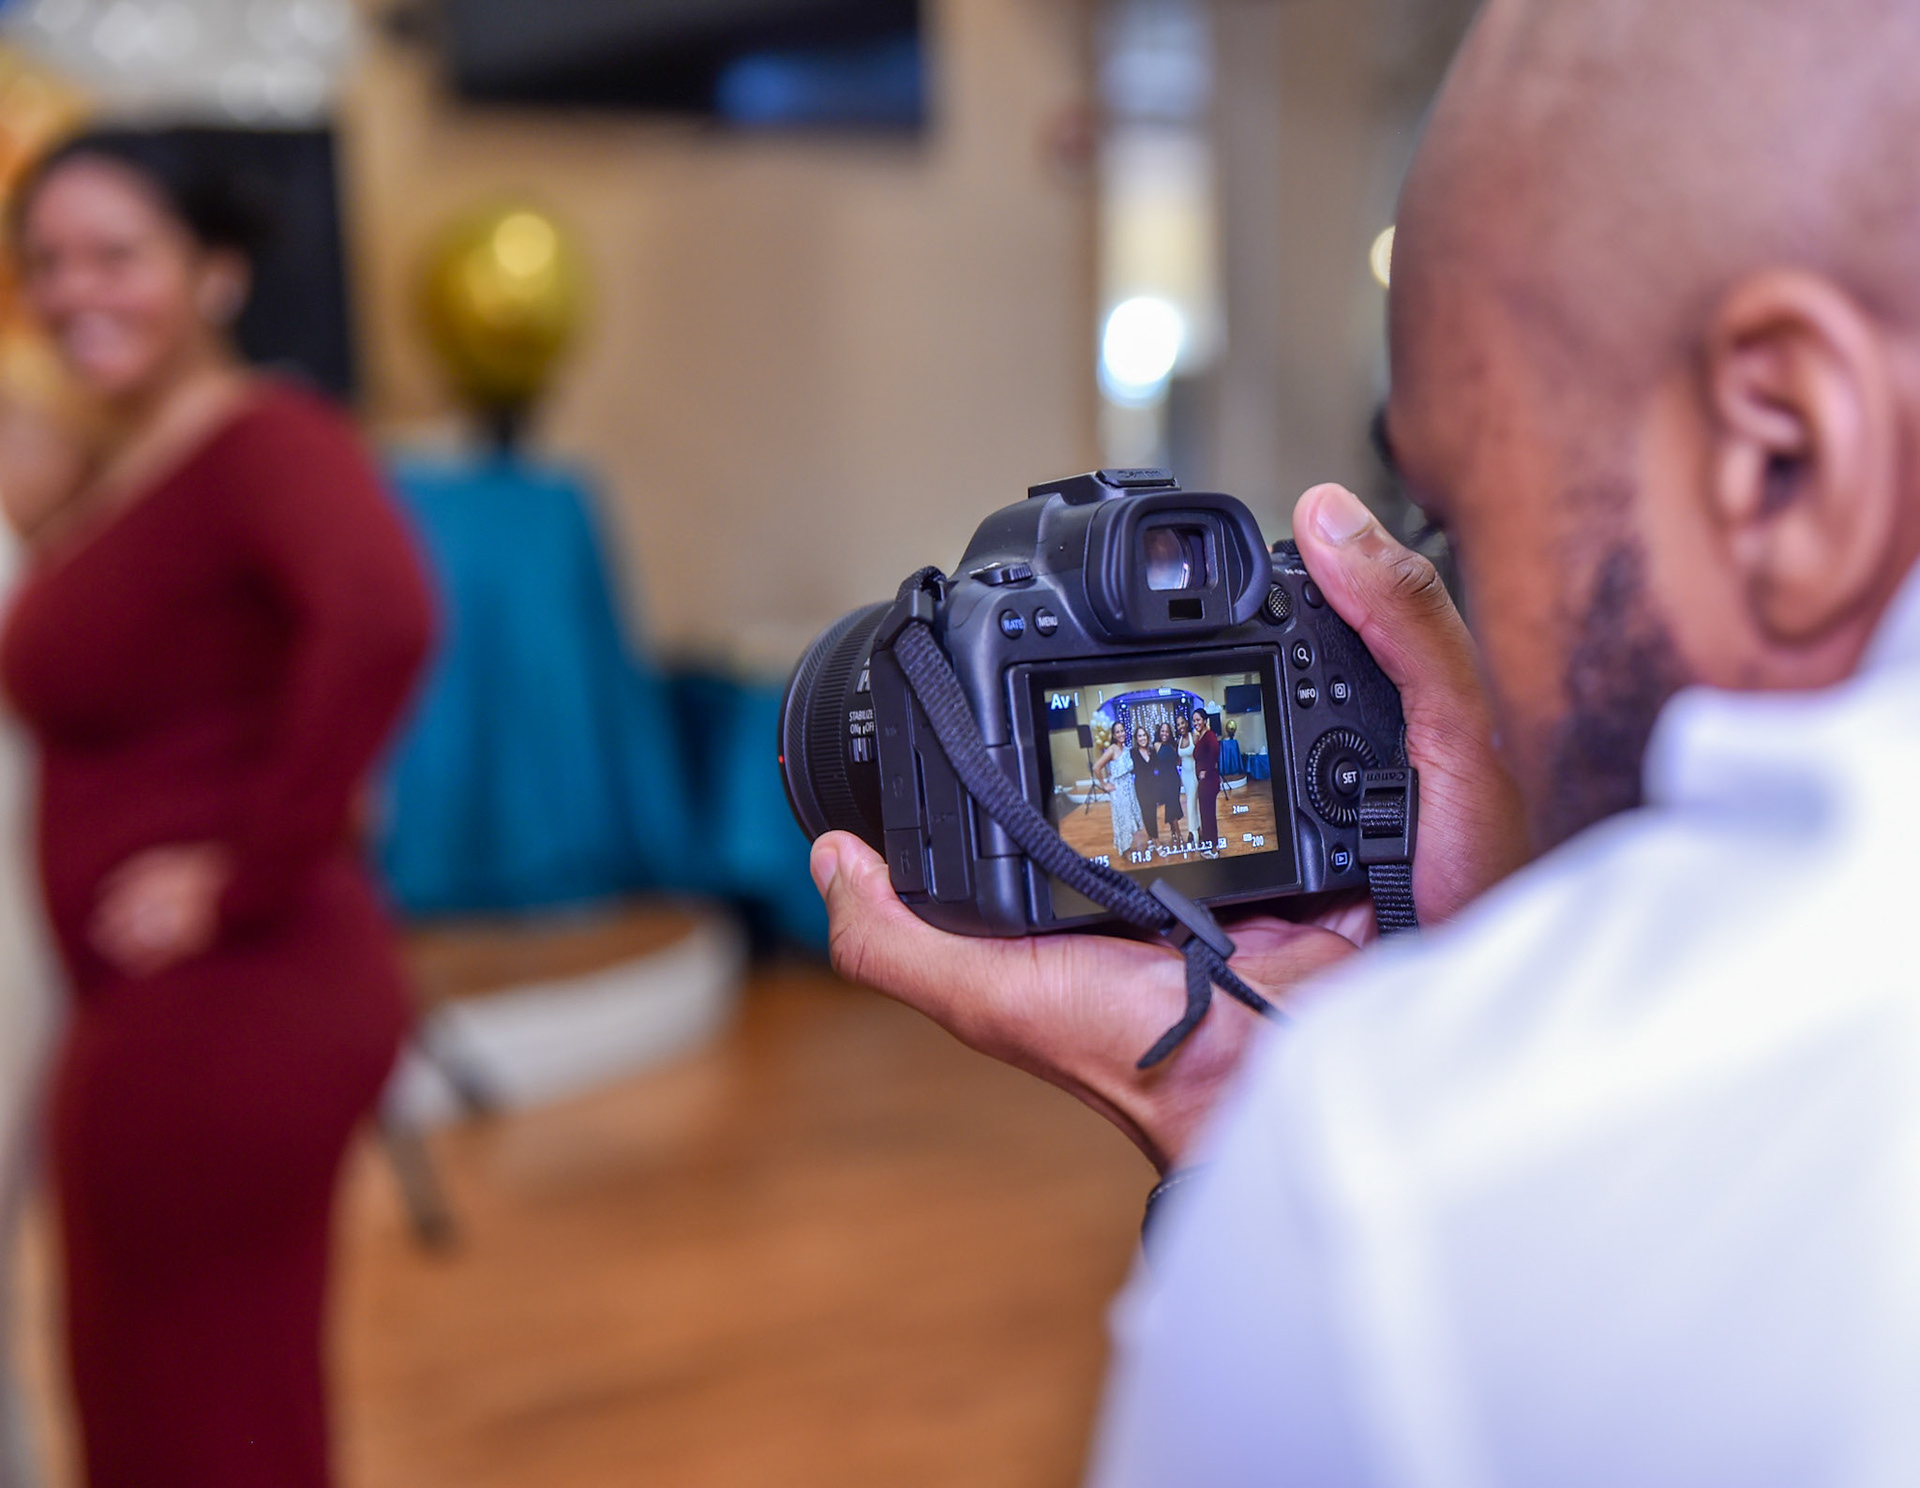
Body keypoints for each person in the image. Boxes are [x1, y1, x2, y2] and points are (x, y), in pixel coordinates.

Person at [808, 0, 1920, 1479]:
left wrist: (1250, 1138)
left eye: (1463, 522)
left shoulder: (1398, 1199)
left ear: (1788, 458)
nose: (1465, 645)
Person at [0, 130, 433, 1488]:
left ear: (217, 274)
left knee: (206, 1419)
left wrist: (248, 872)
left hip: (234, 1001)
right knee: (167, 1402)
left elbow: (384, 619)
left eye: (116, 254)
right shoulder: (135, 463)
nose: (74, 291)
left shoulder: (266, 438)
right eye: (47, 261)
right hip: (169, 1009)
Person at [1093, 720, 1147, 859]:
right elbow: (1096, 767)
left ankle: (1127, 846)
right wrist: (1104, 785)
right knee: (1123, 820)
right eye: (1117, 732)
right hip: (1118, 790)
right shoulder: (1112, 749)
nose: (1121, 734)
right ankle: (1125, 849)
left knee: (1129, 818)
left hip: (1129, 787)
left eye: (1122, 731)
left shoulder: (1127, 749)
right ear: (1114, 735)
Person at [1191, 711, 1221, 848]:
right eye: (1194, 721)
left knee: (1208, 814)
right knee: (1205, 813)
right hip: (1204, 782)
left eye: (1198, 720)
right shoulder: (1201, 736)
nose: (1196, 723)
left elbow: (1215, 751)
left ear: (1204, 720)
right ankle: (1209, 843)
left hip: (1209, 781)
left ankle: (1212, 846)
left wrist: (1207, 771)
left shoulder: (1209, 735)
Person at [1151, 721, 1183, 845]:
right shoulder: (1156, 745)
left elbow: (1178, 761)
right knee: (1170, 805)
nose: (1164, 734)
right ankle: (1178, 833)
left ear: (1170, 734)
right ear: (1159, 732)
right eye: (1163, 731)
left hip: (1174, 779)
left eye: (1167, 732)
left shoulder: (1173, 746)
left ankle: (1173, 830)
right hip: (1163, 781)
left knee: (1174, 804)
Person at [1129, 724, 1160, 842]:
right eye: (1139, 736)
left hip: (1153, 787)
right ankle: (1156, 840)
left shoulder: (1152, 751)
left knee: (1152, 814)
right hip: (1141, 788)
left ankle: (1151, 837)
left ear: (1147, 737)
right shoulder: (1133, 753)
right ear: (1136, 739)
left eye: (1144, 735)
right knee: (1146, 814)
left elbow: (1157, 768)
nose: (1142, 738)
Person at [1174, 716, 1198, 849]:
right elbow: (1179, 760)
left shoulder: (1194, 737)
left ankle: (1192, 833)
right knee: (1192, 803)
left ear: (1187, 723)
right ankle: (1198, 829)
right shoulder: (1179, 741)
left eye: (1182, 723)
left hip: (1194, 774)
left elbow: (1201, 755)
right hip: (1185, 775)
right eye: (1178, 724)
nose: (1181, 726)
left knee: (1190, 804)